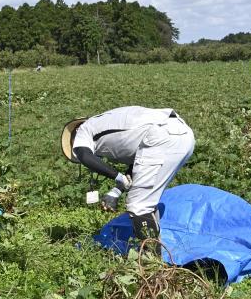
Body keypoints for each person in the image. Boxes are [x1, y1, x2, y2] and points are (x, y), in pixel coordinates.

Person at [61, 106, 195, 252]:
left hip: (160, 136)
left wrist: (117, 176)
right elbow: (138, 166)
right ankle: (156, 253)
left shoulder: (83, 130)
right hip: (184, 135)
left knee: (139, 205)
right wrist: (116, 191)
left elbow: (84, 155)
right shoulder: (109, 124)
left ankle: (153, 266)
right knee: (147, 202)